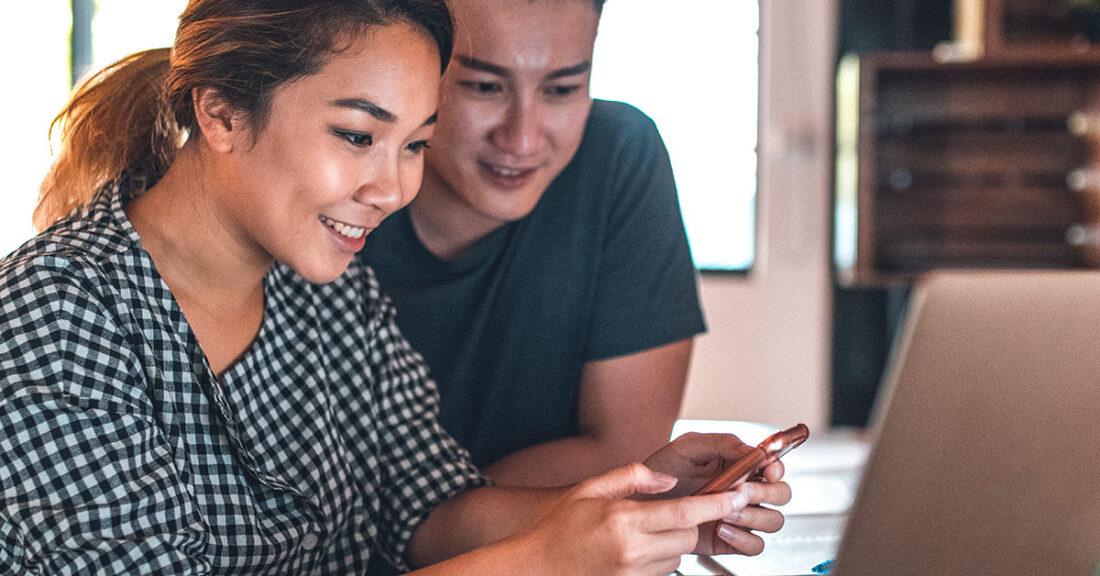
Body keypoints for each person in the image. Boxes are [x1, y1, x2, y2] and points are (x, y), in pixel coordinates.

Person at [0, 1, 792, 575]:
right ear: (221, 111)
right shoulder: (55, 317)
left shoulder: (330, 288)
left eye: (415, 144)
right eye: (357, 135)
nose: (393, 187)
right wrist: (536, 563)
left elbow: (433, 507)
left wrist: (640, 507)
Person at [360, 0, 705, 488]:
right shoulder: (340, 198)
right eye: (484, 86)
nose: (522, 140)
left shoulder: (618, 159)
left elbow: (629, 453)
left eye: (562, 89)